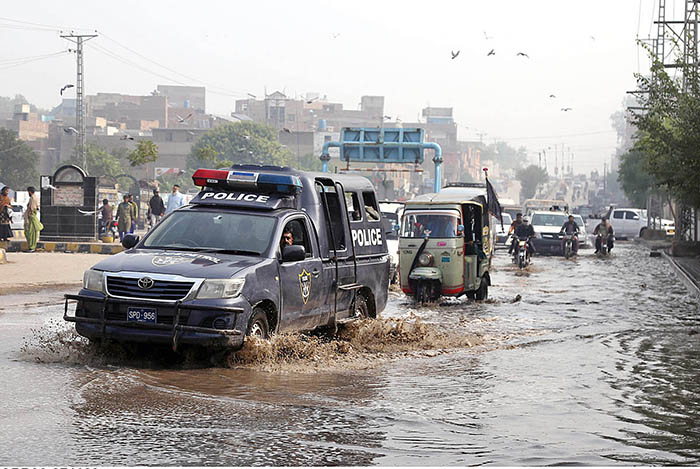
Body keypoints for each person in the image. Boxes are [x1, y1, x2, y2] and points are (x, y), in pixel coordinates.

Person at [23, 186, 42, 252]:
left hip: (31, 217)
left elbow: (31, 209)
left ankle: (32, 247)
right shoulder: (35, 197)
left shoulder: (32, 198)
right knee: (31, 233)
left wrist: (27, 218)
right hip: (32, 216)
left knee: (30, 233)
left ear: (30, 192)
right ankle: (31, 247)